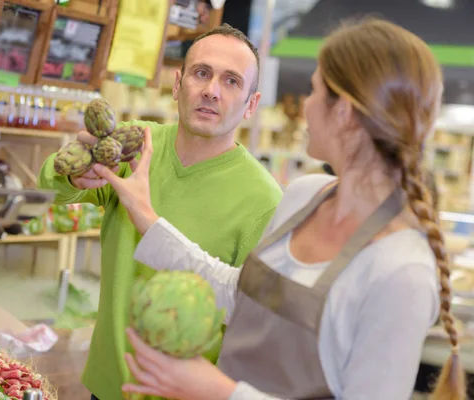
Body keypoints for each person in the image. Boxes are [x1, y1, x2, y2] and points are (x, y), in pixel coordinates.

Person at [93, 17, 467, 400]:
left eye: (315, 90)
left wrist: (221, 392)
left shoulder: (401, 271)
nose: (305, 105)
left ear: (344, 112)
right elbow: (239, 293)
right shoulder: (306, 196)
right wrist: (146, 215)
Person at [38, 24, 283, 400]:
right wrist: (73, 172)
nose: (211, 90)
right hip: (105, 385)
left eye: (232, 81)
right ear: (177, 83)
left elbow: (253, 319)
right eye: (202, 73)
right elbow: (45, 190)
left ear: (252, 103)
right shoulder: (137, 144)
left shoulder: (265, 200)